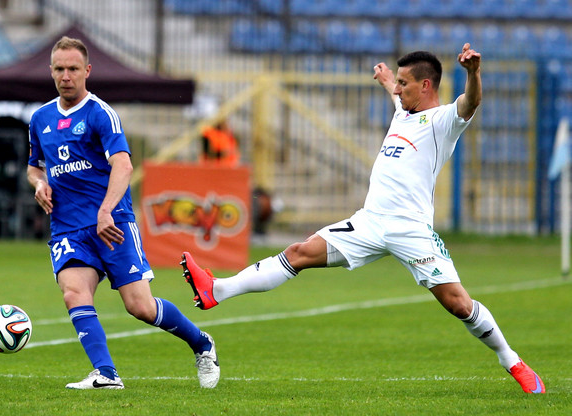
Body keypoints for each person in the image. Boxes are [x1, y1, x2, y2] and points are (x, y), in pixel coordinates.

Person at [181, 43, 545, 394]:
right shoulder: (403, 110)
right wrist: (389, 80)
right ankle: (218, 290)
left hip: (411, 229)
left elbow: (471, 102)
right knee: (298, 252)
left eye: (405, 84)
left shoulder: (443, 120)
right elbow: (395, 93)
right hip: (370, 222)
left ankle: (511, 361)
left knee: (459, 305)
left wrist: (474, 73)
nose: (398, 90)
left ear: (426, 85)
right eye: (397, 84)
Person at [27, 36, 219, 389]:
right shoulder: (40, 118)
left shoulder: (101, 113)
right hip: (68, 227)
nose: (66, 76)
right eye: (59, 69)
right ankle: (106, 374)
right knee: (74, 293)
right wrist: (39, 184)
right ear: (50, 71)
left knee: (140, 307)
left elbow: (124, 166)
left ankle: (202, 343)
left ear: (87, 71)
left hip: (111, 224)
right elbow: (34, 166)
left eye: (72, 69)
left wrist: (105, 211)